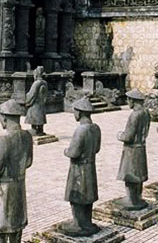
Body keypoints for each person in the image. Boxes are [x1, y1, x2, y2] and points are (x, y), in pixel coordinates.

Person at [0, 99, 33, 243]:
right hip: (19, 187)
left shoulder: (3, 140)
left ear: (4, 118)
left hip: (3, 190)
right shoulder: (27, 136)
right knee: (16, 227)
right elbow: (29, 162)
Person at [60, 97, 101, 237]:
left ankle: (78, 224)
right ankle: (87, 221)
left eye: (75, 111)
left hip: (79, 169)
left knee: (77, 197)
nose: (74, 114)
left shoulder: (80, 130)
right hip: (90, 166)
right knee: (89, 196)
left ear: (80, 112)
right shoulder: (96, 128)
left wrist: (66, 151)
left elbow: (74, 152)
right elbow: (97, 149)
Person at [116, 89, 150, 210]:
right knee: (138, 175)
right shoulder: (146, 112)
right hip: (141, 147)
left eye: (128, 99)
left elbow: (128, 136)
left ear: (133, 100)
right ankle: (137, 197)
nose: (127, 102)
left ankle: (131, 199)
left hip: (132, 149)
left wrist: (120, 135)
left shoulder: (135, 114)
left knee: (130, 176)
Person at [25, 66, 48, 136]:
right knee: (41, 116)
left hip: (35, 103)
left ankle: (34, 129)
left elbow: (32, 94)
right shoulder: (44, 82)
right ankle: (40, 129)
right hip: (41, 103)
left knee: (34, 116)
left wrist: (27, 98)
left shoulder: (36, 83)